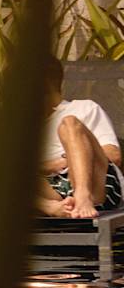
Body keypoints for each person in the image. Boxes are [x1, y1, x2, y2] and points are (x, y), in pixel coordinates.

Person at [39, 58, 123, 219]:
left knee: (69, 123)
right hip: (53, 195)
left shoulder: (83, 108)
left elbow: (114, 156)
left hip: (96, 188)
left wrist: (68, 159)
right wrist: (48, 165)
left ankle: (83, 194)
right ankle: (49, 207)